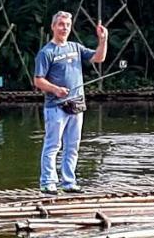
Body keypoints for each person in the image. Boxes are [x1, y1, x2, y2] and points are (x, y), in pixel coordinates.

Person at [33, 11, 108, 194]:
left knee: (72, 146)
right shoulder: (46, 52)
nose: (64, 27)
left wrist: (103, 40)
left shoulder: (75, 47)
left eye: (67, 24)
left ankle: (69, 182)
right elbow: (38, 80)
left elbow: (99, 58)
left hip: (76, 105)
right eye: (60, 24)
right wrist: (55, 89)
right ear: (53, 26)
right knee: (53, 145)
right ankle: (48, 183)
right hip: (55, 107)